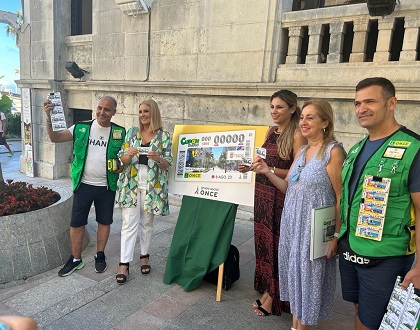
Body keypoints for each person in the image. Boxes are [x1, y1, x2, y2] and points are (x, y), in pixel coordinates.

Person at [253, 99, 345, 329]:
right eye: (302, 117)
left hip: (313, 228)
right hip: (292, 223)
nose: (303, 122)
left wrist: (335, 236)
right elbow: (288, 187)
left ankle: (301, 326)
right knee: (295, 277)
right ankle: (296, 325)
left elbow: (340, 197)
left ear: (325, 122)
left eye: (310, 117)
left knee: (309, 279)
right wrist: (267, 170)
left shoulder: (333, 152)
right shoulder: (303, 149)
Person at [338, 77, 420, 330]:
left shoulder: (413, 148)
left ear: (392, 103)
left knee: (374, 321)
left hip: (386, 257)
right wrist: (336, 237)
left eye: (370, 101)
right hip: (350, 247)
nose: (361, 108)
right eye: (357, 103)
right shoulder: (357, 148)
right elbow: (347, 197)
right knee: (360, 309)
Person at [238, 90, 306, 316]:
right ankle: (268, 289)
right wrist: (251, 166)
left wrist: (270, 170)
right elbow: (263, 162)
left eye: (280, 107)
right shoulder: (270, 131)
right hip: (263, 195)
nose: (274, 112)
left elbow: (298, 172)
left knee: (278, 247)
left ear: (292, 109)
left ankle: (276, 297)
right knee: (264, 244)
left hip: (281, 196)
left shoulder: (297, 134)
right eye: (272, 107)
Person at [43, 95, 126, 276]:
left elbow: (124, 158)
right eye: (100, 108)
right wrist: (48, 119)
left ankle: (100, 254)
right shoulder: (81, 127)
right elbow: (56, 138)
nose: (102, 112)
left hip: (107, 186)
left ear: (113, 112)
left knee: (104, 221)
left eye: (107, 109)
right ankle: (75, 259)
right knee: (77, 223)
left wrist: (121, 166)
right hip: (83, 184)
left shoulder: (120, 132)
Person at [115, 99, 172, 284]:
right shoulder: (131, 133)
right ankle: (124, 263)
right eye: (140, 111)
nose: (142, 115)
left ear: (153, 112)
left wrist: (158, 158)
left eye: (146, 111)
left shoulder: (164, 136)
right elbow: (122, 160)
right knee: (128, 223)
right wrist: (128, 154)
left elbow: (167, 164)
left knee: (147, 223)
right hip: (131, 184)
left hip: (152, 186)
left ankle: (144, 255)